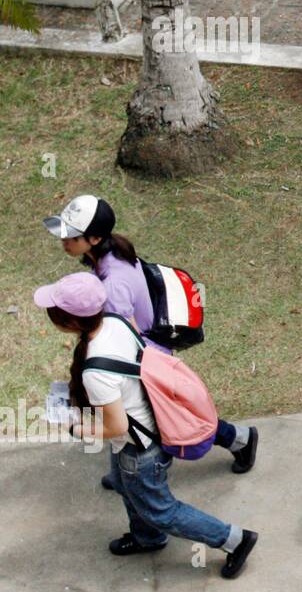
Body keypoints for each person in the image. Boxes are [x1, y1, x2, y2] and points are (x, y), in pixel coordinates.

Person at [36, 272, 258, 578]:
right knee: (122, 481)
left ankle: (234, 540)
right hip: (148, 426)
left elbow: (116, 427)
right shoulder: (114, 321)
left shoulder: (96, 373)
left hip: (140, 451)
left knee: (162, 512)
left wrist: (76, 429)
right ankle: (147, 537)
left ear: (70, 321)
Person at [43, 195, 257, 481]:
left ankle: (237, 440)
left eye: (71, 236)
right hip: (147, 350)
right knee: (162, 413)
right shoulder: (112, 255)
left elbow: (123, 335)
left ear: (94, 239)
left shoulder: (113, 285)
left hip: (143, 358)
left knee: (164, 416)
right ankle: (125, 474)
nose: (64, 241)